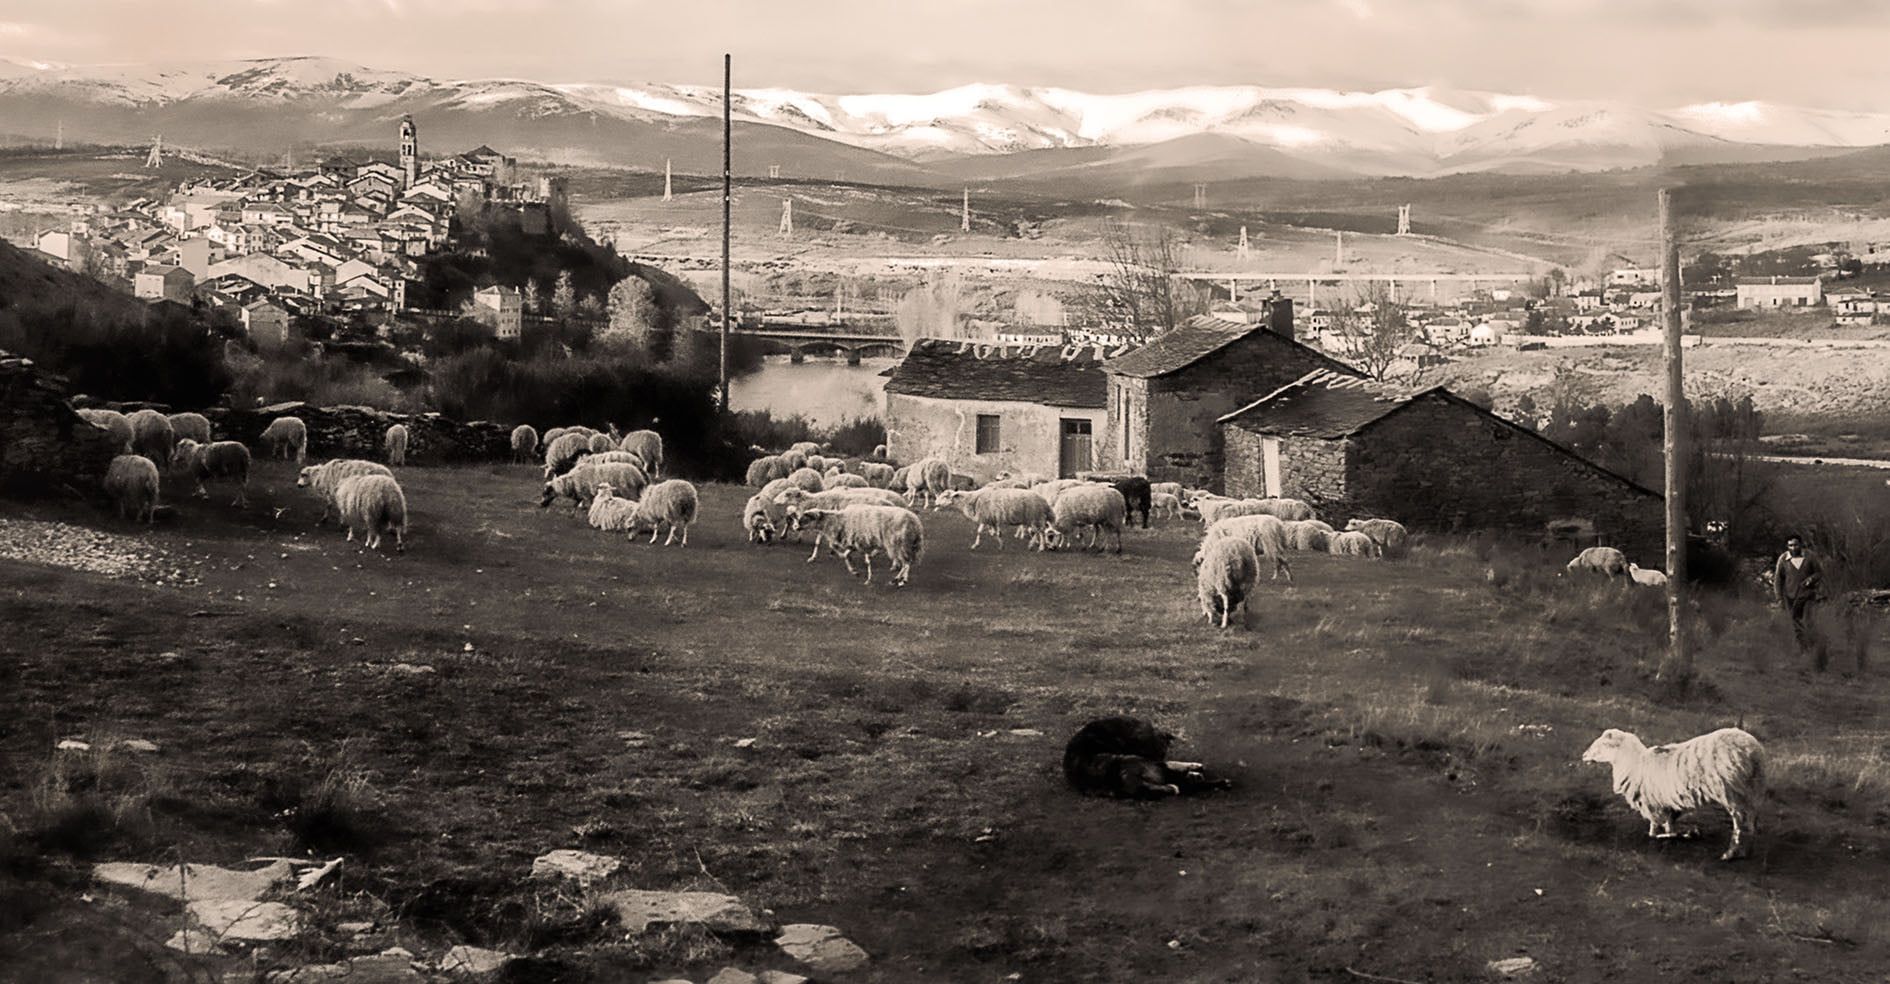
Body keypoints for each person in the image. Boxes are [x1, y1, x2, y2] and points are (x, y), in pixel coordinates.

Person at [1773, 534, 1824, 658]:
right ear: (1787, 546)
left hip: (1808, 595)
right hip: (1790, 596)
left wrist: (1811, 579)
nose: (1793, 547)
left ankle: (1815, 647)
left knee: (1808, 621)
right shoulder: (1783, 559)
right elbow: (1778, 580)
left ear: (1801, 544)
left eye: (1795, 544)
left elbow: (1819, 572)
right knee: (1796, 624)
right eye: (1790, 545)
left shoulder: (1809, 556)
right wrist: (1779, 598)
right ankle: (1804, 649)